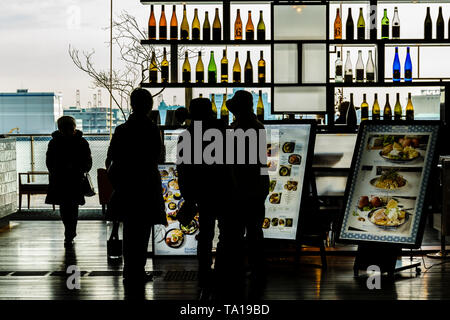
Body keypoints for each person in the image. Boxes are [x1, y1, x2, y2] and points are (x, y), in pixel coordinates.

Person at [105, 88, 167, 290]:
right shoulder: (151, 129)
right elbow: (158, 157)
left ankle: (129, 272)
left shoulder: (122, 130)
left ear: (132, 105)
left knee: (130, 231)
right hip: (146, 186)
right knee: (143, 232)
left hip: (126, 187)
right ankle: (137, 271)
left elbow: (111, 157)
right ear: (149, 106)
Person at [176, 98, 233, 301]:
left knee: (205, 234)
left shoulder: (187, 136)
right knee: (226, 234)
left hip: (201, 192)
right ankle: (222, 271)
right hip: (224, 190)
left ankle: (204, 273)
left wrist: (188, 196)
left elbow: (183, 169)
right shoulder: (225, 133)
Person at [226, 90, 269, 290]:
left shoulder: (236, 130)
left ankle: (236, 269)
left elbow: (232, 163)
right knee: (255, 231)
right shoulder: (258, 127)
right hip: (256, 187)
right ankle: (257, 269)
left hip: (238, 188)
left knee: (235, 233)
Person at [46, 116, 92, 248]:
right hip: (75, 179)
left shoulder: (54, 142)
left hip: (59, 179)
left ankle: (69, 231)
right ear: (74, 127)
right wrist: (79, 169)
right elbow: (88, 162)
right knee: (73, 207)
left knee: (64, 207)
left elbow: (49, 163)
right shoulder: (82, 142)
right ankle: (70, 231)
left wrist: (57, 170)